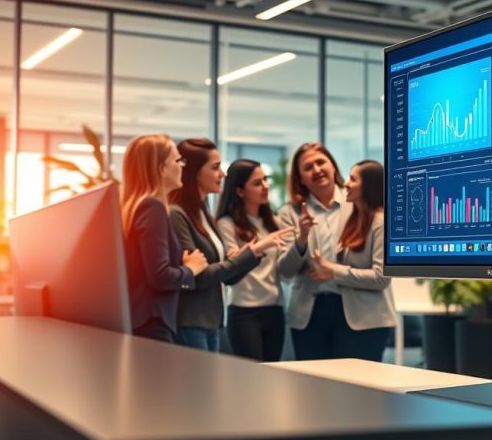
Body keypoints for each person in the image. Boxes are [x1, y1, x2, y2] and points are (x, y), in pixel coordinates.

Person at [169, 138, 288, 352]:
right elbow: (198, 277)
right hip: (191, 322)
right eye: (215, 168)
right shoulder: (177, 214)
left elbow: (228, 276)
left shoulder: (203, 214)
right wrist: (254, 250)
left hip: (211, 322)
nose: (223, 174)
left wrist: (248, 255)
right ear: (193, 172)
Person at [304, 160, 398, 361]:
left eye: (353, 179)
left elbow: (381, 278)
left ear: (369, 186)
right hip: (350, 320)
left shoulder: (381, 222)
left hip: (370, 322)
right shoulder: (356, 220)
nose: (345, 183)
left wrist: (333, 271)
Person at [121, 134, 208, 343]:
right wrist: (191, 270)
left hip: (142, 322)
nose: (182, 167)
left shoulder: (133, 207)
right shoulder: (152, 207)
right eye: (178, 161)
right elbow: (159, 277)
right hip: (152, 323)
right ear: (160, 168)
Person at [216, 159, 290, 361]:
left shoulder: (273, 222)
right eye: (257, 183)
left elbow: (284, 267)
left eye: (265, 180)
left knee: (272, 373)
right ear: (240, 191)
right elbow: (231, 266)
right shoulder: (227, 224)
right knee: (251, 377)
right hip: (244, 312)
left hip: (274, 309)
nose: (265, 187)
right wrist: (260, 246)